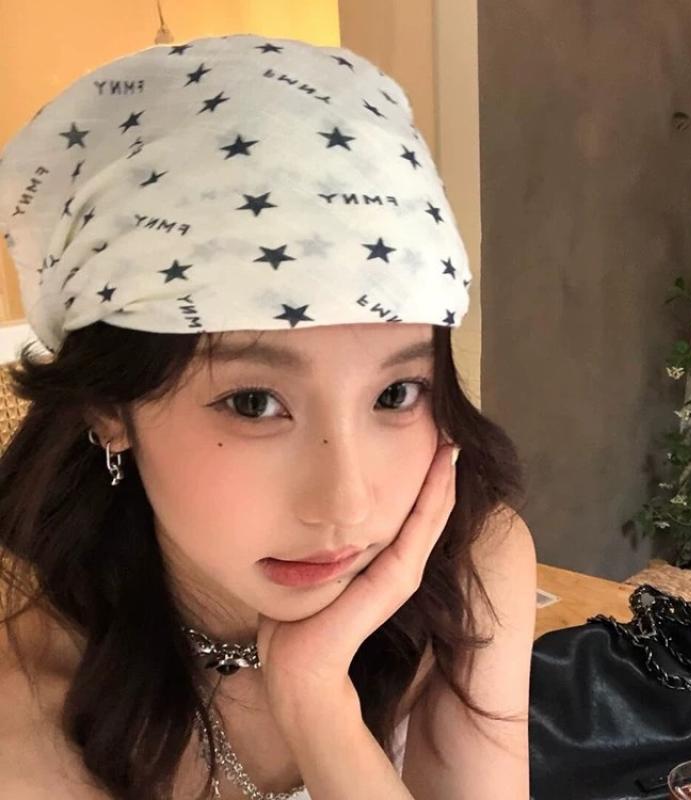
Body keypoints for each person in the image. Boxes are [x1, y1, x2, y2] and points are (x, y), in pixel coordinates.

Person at [0, 32, 537, 800]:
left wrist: (318, 704)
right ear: (110, 408)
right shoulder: (24, 703)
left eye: (395, 394)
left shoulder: (470, 564)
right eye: (255, 404)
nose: (347, 507)